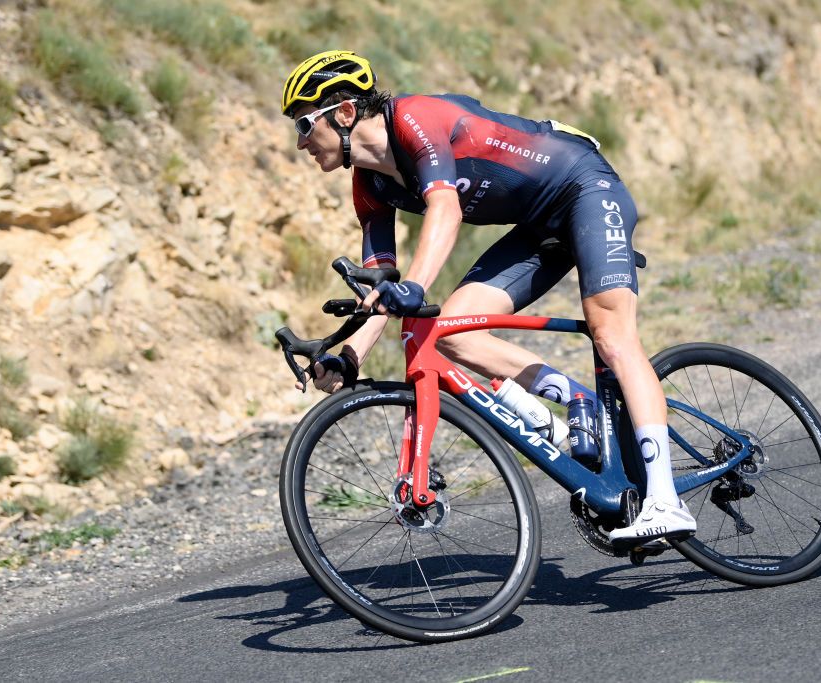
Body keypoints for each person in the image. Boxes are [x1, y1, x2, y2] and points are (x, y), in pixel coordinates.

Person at [281, 50, 695, 543]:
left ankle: (666, 501)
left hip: (584, 188)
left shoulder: (416, 120)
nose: (301, 142)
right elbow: (384, 290)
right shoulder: (368, 186)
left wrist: (415, 287)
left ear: (345, 113)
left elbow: (445, 209)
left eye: (305, 125)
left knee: (612, 336)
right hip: (536, 226)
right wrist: (349, 357)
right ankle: (580, 405)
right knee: (451, 334)